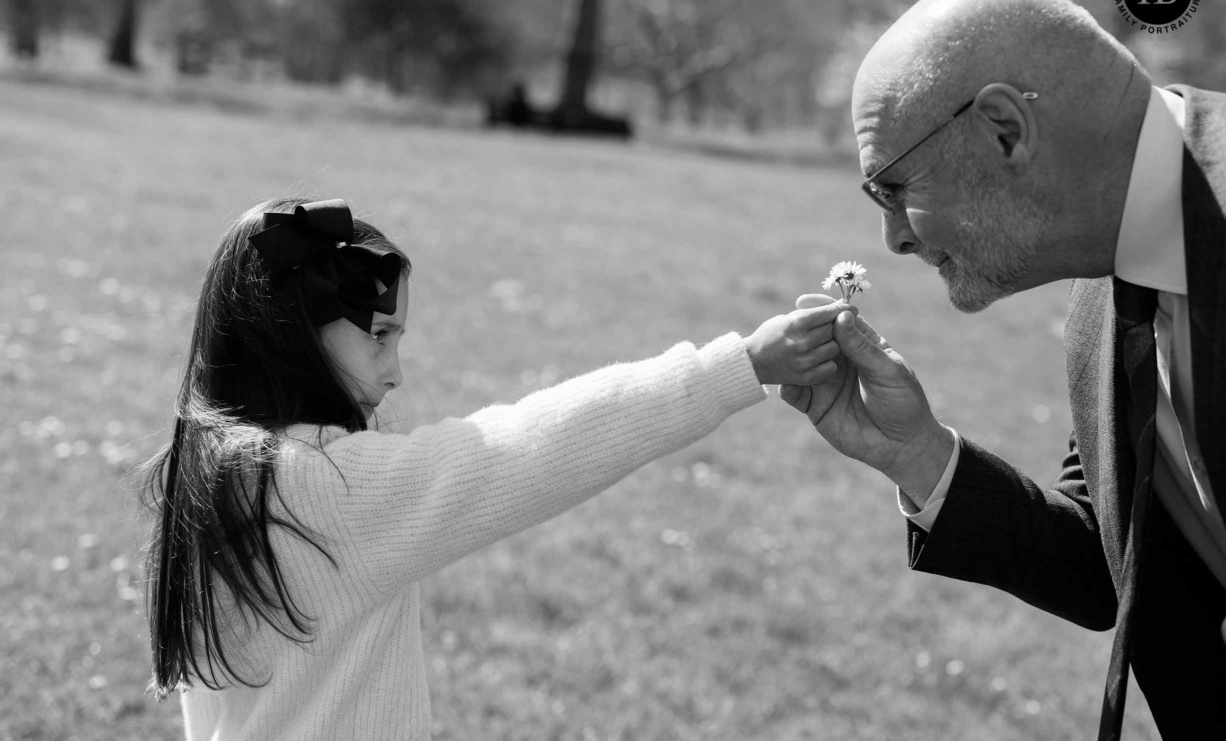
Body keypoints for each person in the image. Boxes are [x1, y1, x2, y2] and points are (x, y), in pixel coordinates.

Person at [142, 196, 848, 740]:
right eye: (379, 336)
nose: (395, 371)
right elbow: (532, 449)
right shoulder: (323, 487)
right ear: (290, 330)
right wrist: (741, 366)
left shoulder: (207, 471)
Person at [781, 0, 1226, 740]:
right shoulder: (1101, 287)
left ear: (1004, 130)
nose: (894, 239)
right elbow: (1111, 560)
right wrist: (918, 455)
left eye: (893, 191)